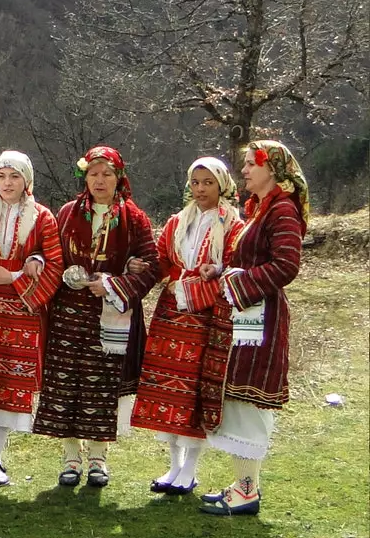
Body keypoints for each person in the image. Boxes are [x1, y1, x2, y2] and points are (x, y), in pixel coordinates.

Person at [32, 145, 156, 487]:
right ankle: (70, 457)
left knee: (102, 386)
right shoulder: (68, 213)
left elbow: (152, 265)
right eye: (93, 174)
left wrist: (116, 283)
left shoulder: (135, 219)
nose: (99, 180)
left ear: (119, 178)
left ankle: (99, 458)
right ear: (84, 177)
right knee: (66, 383)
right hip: (68, 313)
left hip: (109, 314)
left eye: (107, 174)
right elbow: (50, 253)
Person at [197, 141, 306, 517]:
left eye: (249, 164)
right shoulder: (263, 209)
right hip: (248, 317)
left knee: (249, 400)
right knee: (239, 398)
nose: (243, 170)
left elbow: (287, 265)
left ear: (270, 168)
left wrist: (242, 282)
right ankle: (245, 485)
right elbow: (253, 260)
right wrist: (224, 270)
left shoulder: (283, 211)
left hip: (262, 320)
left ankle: (246, 492)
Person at [129, 157, 244, 496]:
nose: (200, 189)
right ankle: (175, 464)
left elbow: (237, 265)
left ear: (221, 185)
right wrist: (138, 268)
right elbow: (162, 260)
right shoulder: (179, 222)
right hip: (171, 311)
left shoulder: (234, 226)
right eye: (195, 182)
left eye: (208, 182)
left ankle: (190, 468)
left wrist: (216, 270)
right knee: (168, 391)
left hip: (205, 315)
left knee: (192, 391)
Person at [0, 150, 62, 487]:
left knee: (7, 386)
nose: (7, 183)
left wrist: (17, 276)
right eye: (2, 176)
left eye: (14, 177)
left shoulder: (43, 217)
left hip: (21, 312)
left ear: (27, 181)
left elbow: (55, 264)